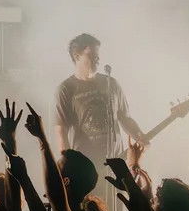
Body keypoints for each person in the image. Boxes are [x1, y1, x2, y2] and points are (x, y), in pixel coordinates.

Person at [52, 32, 143, 164]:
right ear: (77, 56)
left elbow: (125, 118)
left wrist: (140, 135)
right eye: (92, 55)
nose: (97, 59)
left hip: (117, 162)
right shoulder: (66, 89)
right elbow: (61, 131)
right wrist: (69, 165)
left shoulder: (111, 83)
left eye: (97, 56)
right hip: (86, 166)